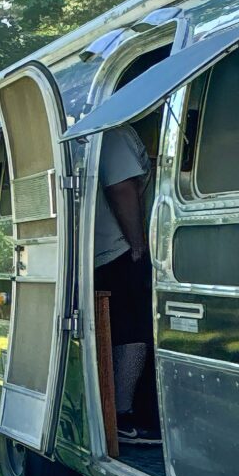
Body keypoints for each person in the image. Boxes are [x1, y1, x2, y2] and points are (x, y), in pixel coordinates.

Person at [92, 125, 157, 440]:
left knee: (119, 331)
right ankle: (123, 413)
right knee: (135, 332)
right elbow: (121, 188)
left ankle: (119, 412)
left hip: (102, 251)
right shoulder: (114, 132)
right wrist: (138, 245)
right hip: (118, 249)